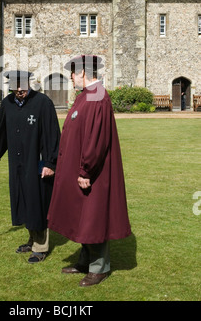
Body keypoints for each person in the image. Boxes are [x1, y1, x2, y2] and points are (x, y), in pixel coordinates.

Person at [47, 55, 131, 286]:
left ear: (83, 72)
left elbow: (96, 139)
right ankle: (85, 261)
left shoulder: (97, 97)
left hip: (93, 173)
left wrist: (85, 171)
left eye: (73, 73)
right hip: (79, 170)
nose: (71, 78)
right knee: (82, 217)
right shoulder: (86, 96)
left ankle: (99, 267)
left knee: (94, 218)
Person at [0, 70, 61, 263]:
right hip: (17, 164)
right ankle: (32, 240)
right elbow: (1, 133)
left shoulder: (43, 103)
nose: (19, 89)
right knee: (24, 201)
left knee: (37, 202)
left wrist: (51, 163)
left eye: (22, 85)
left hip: (38, 163)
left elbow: (53, 136)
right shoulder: (7, 104)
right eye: (15, 86)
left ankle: (40, 247)